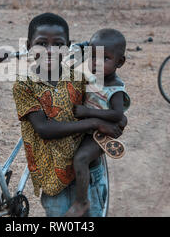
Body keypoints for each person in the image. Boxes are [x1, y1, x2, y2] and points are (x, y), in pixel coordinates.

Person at [12, 13, 127, 217]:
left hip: (89, 172)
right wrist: (94, 122)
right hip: (53, 177)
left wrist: (118, 121)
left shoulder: (78, 77)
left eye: (58, 44)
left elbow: (103, 103)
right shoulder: (25, 85)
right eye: (41, 44)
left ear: (68, 46)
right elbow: (44, 129)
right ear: (29, 45)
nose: (50, 51)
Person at [65, 29, 130, 217]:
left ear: (120, 62)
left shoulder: (115, 88)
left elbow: (118, 115)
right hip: (87, 128)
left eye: (105, 59)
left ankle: (82, 202)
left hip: (98, 135)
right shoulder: (93, 77)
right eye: (93, 57)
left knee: (81, 158)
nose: (96, 63)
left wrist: (88, 112)